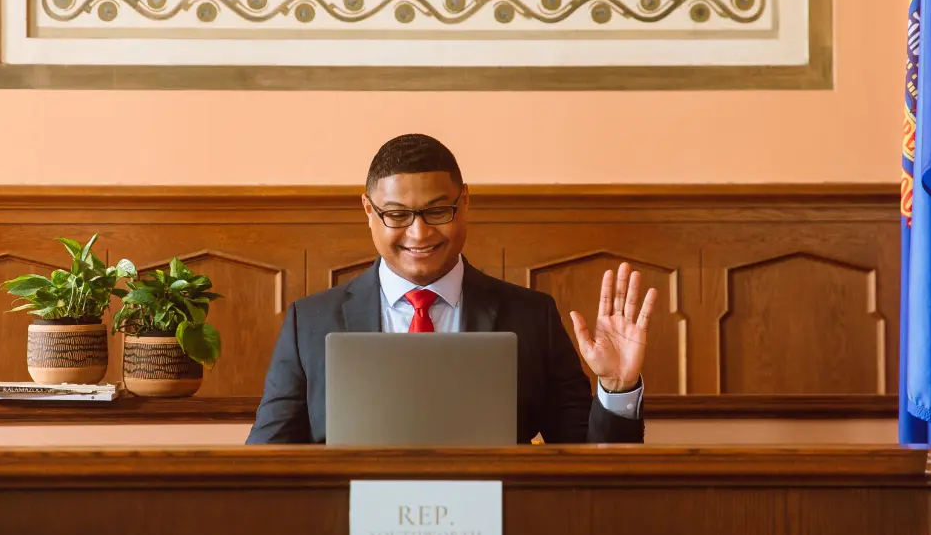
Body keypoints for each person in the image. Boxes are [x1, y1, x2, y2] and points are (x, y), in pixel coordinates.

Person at [246, 134, 657, 444]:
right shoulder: (309, 322)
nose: (419, 232)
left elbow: (590, 463)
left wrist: (616, 388)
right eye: (397, 215)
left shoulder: (532, 316)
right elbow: (266, 463)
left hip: (494, 523)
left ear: (465, 202)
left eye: (438, 210)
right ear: (369, 210)